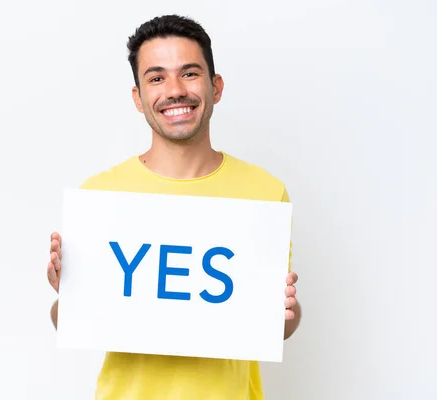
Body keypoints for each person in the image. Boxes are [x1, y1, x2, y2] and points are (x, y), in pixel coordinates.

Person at [46, 14, 301, 400]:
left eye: (190, 73)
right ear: (139, 97)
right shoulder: (101, 196)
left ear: (216, 87)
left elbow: (277, 326)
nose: (175, 90)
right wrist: (69, 293)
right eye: (156, 77)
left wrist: (286, 311)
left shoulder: (264, 191)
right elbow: (72, 321)